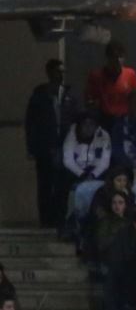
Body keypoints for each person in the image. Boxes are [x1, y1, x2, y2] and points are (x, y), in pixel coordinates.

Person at [25, 58, 77, 228]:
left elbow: (75, 121)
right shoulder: (39, 95)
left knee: (62, 184)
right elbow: (31, 123)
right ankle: (45, 220)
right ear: (49, 73)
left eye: (63, 72)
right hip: (45, 147)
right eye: (57, 71)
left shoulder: (69, 95)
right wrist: (32, 147)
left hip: (66, 147)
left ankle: (59, 219)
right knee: (45, 183)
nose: (61, 75)